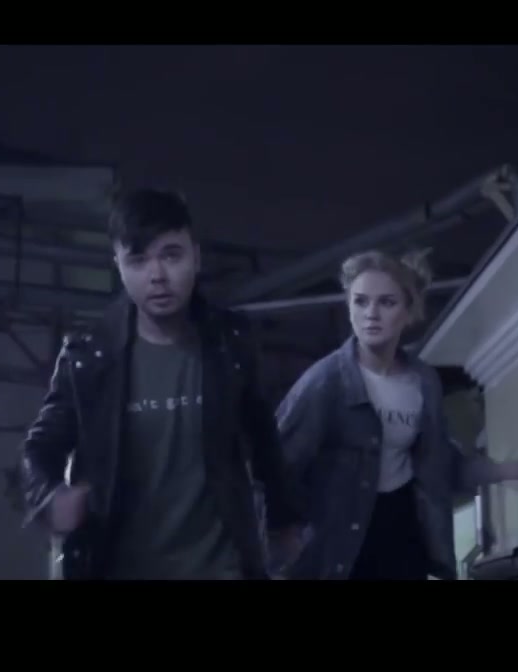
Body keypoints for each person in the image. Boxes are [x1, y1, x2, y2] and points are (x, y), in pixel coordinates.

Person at [19, 187, 306, 580]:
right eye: (138, 260)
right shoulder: (89, 356)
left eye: (171, 255)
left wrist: (284, 520)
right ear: (118, 266)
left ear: (195, 257)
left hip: (219, 567)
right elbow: (40, 447)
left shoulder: (230, 343)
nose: (157, 276)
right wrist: (50, 496)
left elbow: (264, 439)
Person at [274, 249, 518, 580]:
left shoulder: (423, 381)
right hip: (339, 544)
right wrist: (283, 534)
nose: (371, 314)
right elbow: (275, 465)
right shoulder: (325, 382)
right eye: (360, 302)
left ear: (408, 311)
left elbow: (440, 463)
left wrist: (509, 470)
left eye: (386, 302)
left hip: (403, 529)